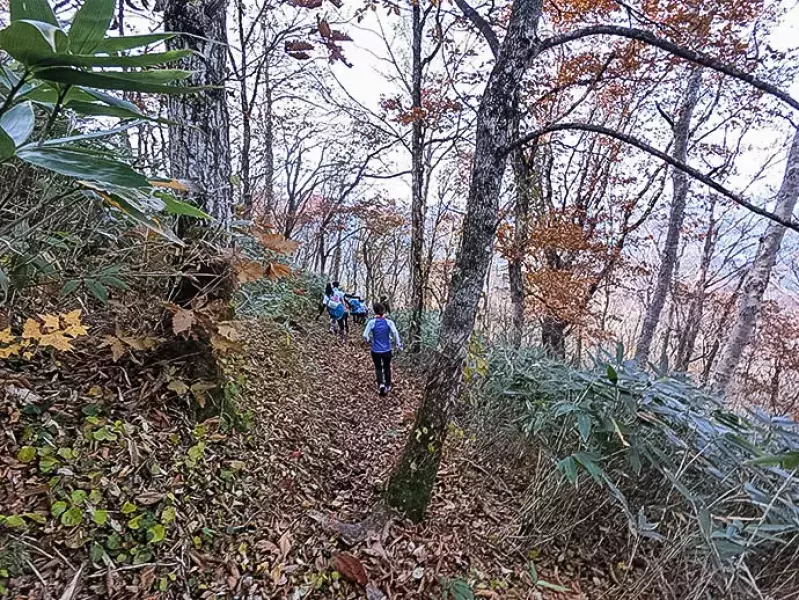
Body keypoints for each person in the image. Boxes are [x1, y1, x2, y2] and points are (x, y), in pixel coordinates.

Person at [363, 302, 402, 396]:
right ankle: (387, 386)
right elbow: (395, 333)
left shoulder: (371, 322)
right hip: (387, 350)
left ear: (374, 311)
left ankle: (381, 384)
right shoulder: (389, 322)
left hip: (375, 350)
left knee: (378, 367)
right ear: (383, 311)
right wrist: (398, 344)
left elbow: (365, 335)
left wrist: (368, 340)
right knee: (387, 367)